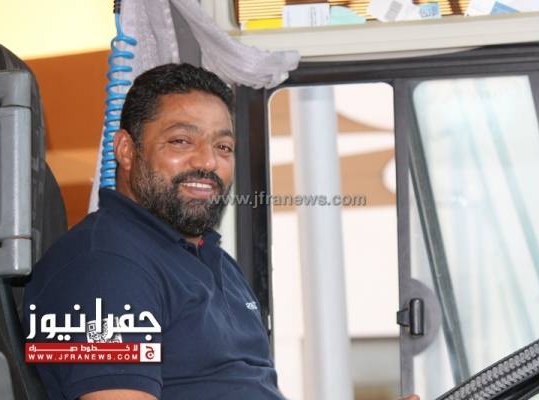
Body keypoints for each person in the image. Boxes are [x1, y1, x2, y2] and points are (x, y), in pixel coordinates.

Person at [24, 63, 419, 400]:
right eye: (181, 141)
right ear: (127, 150)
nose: (208, 162)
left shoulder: (211, 259)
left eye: (223, 147)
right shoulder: (102, 267)